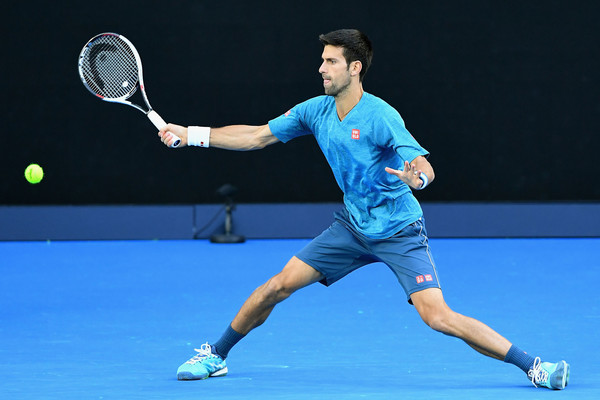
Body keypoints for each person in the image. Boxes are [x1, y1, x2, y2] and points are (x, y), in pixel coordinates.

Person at [158, 29, 569, 390]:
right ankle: (217, 354)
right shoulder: (314, 111)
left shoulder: (381, 116)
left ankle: (533, 366)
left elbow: (422, 165)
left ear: (354, 68)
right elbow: (256, 137)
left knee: (437, 316)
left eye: (331, 61)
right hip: (353, 228)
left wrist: (418, 179)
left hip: (398, 229)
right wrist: (191, 135)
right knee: (276, 286)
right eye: (321, 60)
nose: (321, 68)